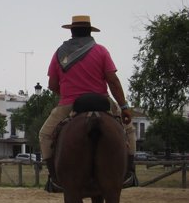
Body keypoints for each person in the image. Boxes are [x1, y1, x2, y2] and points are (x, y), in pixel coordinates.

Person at [39, 15, 138, 193]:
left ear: (71, 31)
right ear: (90, 31)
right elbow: (113, 81)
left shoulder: (59, 54)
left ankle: (54, 178)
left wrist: (69, 94)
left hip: (69, 104)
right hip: (102, 102)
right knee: (129, 130)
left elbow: (52, 85)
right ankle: (129, 173)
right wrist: (124, 107)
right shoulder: (101, 51)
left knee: (44, 135)